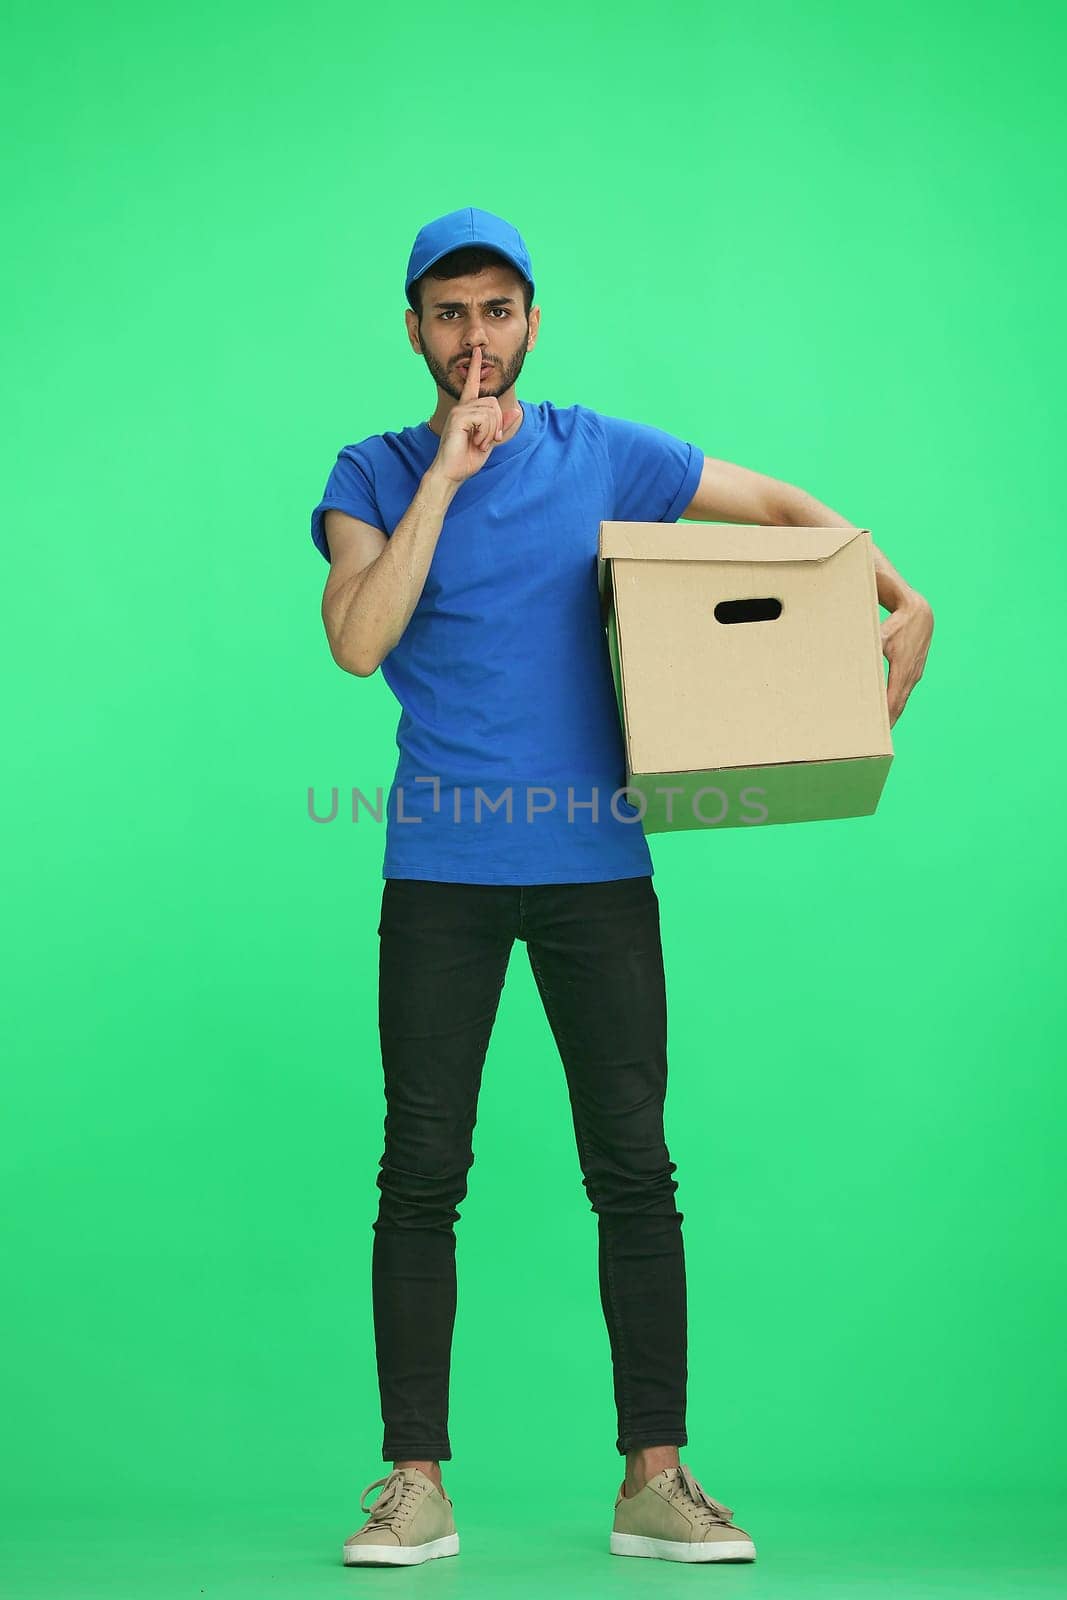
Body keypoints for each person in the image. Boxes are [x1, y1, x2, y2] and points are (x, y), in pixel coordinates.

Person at [309, 208, 934, 1569]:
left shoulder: (610, 455)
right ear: (413, 329)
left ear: (534, 321)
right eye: (448, 313)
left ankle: (656, 1478)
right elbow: (360, 641)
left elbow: (773, 508)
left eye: (497, 310)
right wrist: (445, 480)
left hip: (599, 867)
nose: (475, 337)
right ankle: (412, 1483)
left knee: (635, 1171)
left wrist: (895, 589)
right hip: (440, 869)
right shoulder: (370, 473)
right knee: (422, 1171)